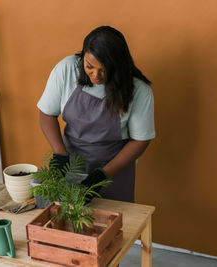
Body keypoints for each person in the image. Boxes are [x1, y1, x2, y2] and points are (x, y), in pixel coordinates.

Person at [37, 26, 155, 203]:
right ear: (83, 56)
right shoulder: (67, 69)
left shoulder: (139, 91)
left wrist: (102, 175)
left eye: (104, 70)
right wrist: (60, 153)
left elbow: (141, 140)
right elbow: (47, 114)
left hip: (115, 171)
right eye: (89, 67)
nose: (96, 75)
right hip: (71, 164)